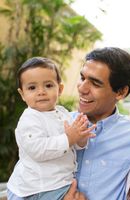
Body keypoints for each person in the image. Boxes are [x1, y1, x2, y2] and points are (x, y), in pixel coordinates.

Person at [7, 57, 96, 200]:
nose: (41, 92)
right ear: (22, 94)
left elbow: (73, 144)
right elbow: (38, 150)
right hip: (38, 188)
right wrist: (69, 138)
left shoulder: (63, 113)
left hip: (58, 183)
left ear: (59, 89)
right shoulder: (30, 119)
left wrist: (80, 139)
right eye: (32, 88)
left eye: (48, 85)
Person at [64, 47, 130, 200]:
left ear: (121, 92)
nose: (82, 88)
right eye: (82, 78)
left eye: (95, 83)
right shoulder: (58, 124)